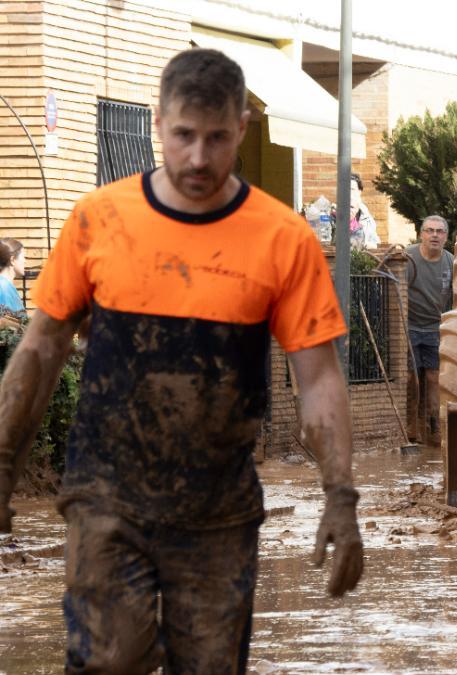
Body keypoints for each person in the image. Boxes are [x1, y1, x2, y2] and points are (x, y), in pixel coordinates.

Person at [0, 48, 363, 671]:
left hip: (219, 511)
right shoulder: (99, 221)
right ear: (158, 124)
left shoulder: (283, 239)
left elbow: (319, 378)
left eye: (216, 138)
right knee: (109, 659)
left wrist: (341, 495)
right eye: (184, 136)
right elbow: (40, 351)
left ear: (241, 129)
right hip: (106, 494)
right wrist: (4, 460)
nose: (198, 157)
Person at [406, 215, 454, 441]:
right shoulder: (408, 258)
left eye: (440, 231)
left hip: (436, 328)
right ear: (421, 234)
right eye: (430, 230)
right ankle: (411, 426)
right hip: (410, 326)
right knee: (411, 378)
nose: (434, 235)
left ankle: (434, 427)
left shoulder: (451, 262)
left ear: (446, 237)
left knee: (435, 378)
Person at [346, 172, 381, 249]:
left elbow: (375, 243)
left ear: (359, 192)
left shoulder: (367, 218)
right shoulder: (335, 215)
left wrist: (364, 245)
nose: (348, 193)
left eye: (352, 189)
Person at [0, 237, 26, 315]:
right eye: (23, 257)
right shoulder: (3, 288)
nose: (25, 261)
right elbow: (5, 321)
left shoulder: (6, 286)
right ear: (12, 260)